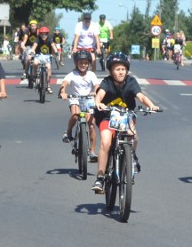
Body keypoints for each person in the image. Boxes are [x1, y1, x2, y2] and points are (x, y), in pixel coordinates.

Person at [91, 52, 159, 193]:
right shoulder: (107, 82)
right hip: (107, 117)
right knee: (106, 142)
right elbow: (100, 94)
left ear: (127, 70)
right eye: (117, 69)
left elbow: (141, 96)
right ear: (111, 71)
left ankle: (132, 157)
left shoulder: (131, 82)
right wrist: (98, 103)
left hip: (126, 116)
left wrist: (151, 105)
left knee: (133, 135)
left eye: (123, 69)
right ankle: (100, 177)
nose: (121, 72)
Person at [60, 51, 101, 161]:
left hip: (88, 99)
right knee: (75, 115)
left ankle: (92, 152)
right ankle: (68, 132)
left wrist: (96, 92)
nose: (83, 65)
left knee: (92, 125)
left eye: (85, 63)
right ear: (76, 63)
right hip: (75, 99)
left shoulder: (91, 74)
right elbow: (64, 83)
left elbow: (97, 86)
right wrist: (63, 92)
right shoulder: (72, 74)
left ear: (89, 63)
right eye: (80, 62)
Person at [30, 26, 55, 94]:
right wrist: (32, 51)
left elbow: (53, 46)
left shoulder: (50, 39)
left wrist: (56, 52)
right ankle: (34, 76)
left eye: (45, 34)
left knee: (49, 68)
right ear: (40, 34)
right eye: (42, 34)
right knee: (35, 63)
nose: (44, 36)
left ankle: (48, 86)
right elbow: (34, 46)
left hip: (47, 57)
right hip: (39, 56)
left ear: (47, 34)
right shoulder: (37, 39)